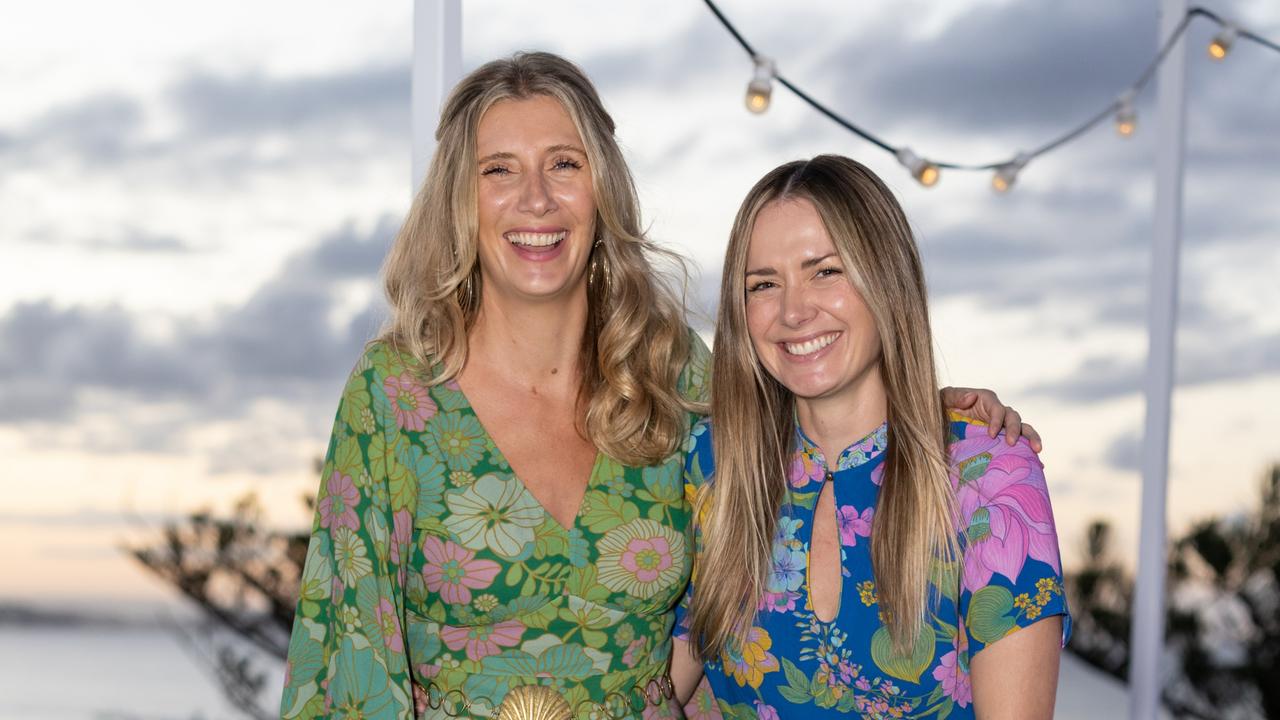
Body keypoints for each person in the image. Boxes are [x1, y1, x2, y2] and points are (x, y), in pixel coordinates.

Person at [280, 52, 1035, 720]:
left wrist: (931, 412)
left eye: (565, 164)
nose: (535, 198)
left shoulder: (674, 374)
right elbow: (348, 648)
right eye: (498, 169)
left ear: (602, 191)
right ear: (459, 200)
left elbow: (811, 409)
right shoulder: (397, 392)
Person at [671, 155, 1069, 720]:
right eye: (763, 284)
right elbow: (652, 686)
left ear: (886, 278)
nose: (793, 310)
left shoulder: (987, 473)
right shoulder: (713, 465)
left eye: (825, 271)